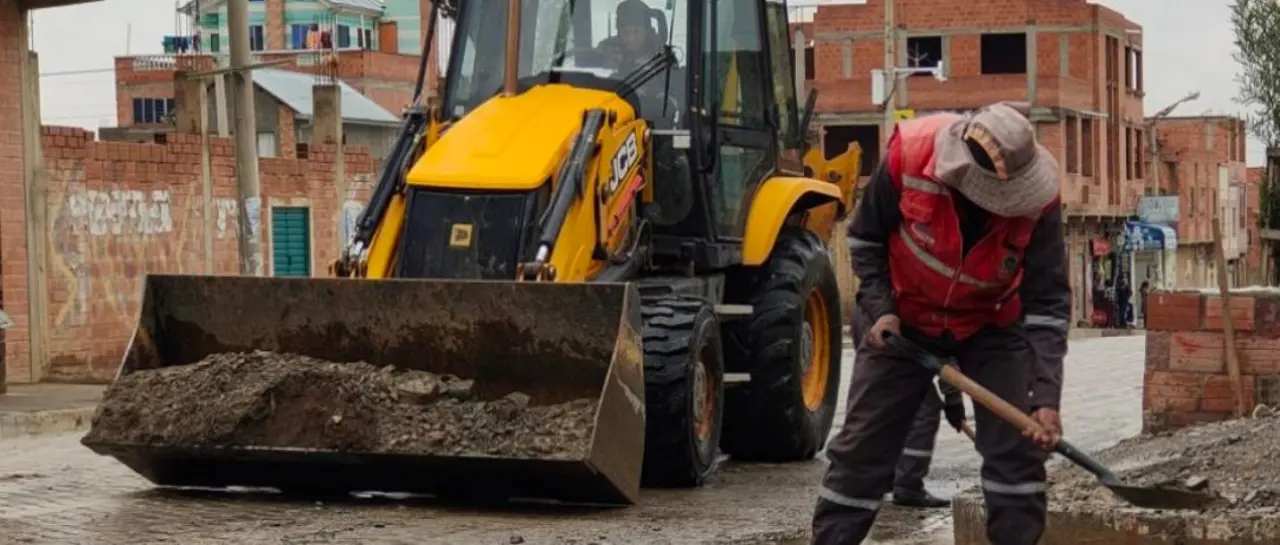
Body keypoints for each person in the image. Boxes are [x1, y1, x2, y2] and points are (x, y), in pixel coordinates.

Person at [814, 102, 1071, 545]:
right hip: (904, 319)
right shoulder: (908, 156)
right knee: (862, 450)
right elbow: (864, 238)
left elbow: (1046, 303)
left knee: (1017, 453)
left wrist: (1044, 396)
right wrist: (881, 308)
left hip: (992, 324)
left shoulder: (1041, 201)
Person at [890, 380, 967, 508]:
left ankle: (878, 478)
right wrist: (953, 398)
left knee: (887, 408)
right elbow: (945, 364)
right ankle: (908, 485)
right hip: (904, 366)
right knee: (925, 411)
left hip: (877, 366)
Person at [596, 0, 663, 71]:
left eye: (636, 32)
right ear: (619, 31)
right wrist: (606, 63)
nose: (631, 39)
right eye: (625, 32)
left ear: (647, 32)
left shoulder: (660, 54)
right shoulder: (607, 47)